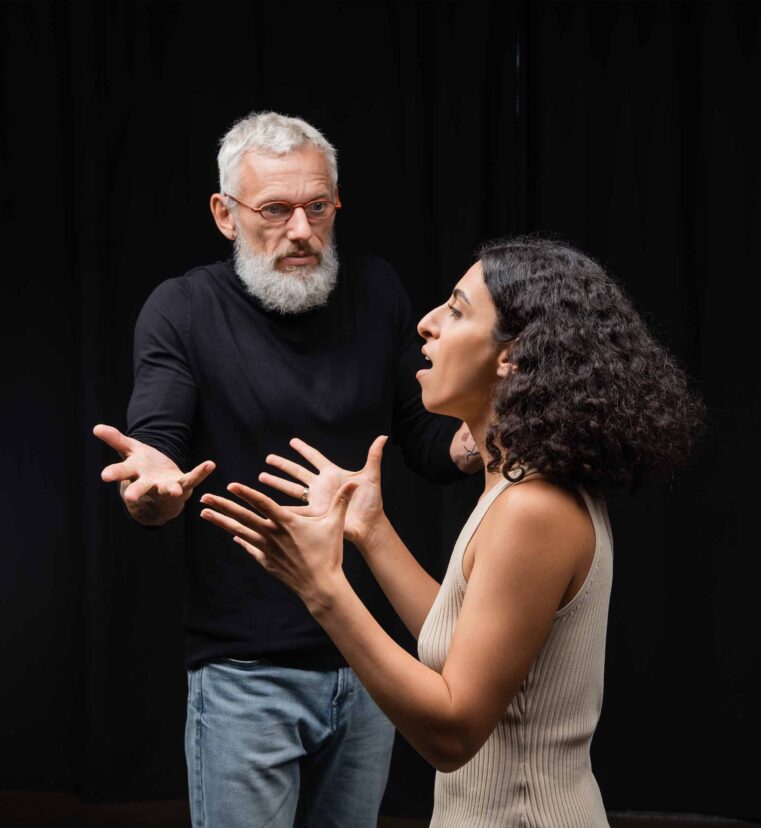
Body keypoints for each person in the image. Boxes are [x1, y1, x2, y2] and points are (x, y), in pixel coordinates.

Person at [199, 236, 703, 827]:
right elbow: (462, 645)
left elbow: (453, 732)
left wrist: (323, 588)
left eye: (457, 310)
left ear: (511, 355)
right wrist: (371, 528)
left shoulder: (532, 509)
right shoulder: (517, 491)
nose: (427, 324)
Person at [93, 111, 480, 828]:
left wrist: (486, 441)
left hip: (370, 659)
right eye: (274, 210)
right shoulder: (183, 309)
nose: (302, 231)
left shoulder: (377, 290)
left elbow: (424, 438)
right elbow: (157, 449)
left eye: (318, 207)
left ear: (337, 203)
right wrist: (154, 492)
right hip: (245, 672)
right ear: (225, 215)